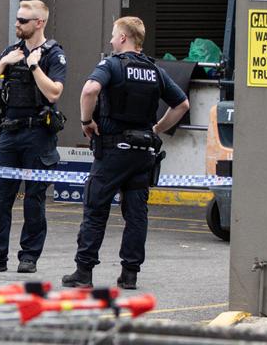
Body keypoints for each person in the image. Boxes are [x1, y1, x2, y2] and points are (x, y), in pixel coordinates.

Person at [63, 16, 190, 289]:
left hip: (112, 151)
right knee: (136, 215)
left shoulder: (111, 65)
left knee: (96, 210)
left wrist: (87, 122)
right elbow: (182, 104)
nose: (110, 40)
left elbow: (89, 90)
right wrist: (156, 129)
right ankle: (129, 275)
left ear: (122, 38)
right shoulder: (154, 70)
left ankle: (84, 272)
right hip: (143, 153)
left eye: (113, 35)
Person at [0, 0, 67, 274]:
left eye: (23, 20)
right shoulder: (11, 52)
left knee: (34, 199)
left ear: (39, 23)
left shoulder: (53, 54)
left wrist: (35, 67)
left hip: (38, 134)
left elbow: (54, 93)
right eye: (17, 19)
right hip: (9, 132)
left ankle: (29, 256)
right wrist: (2, 64)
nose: (17, 24)